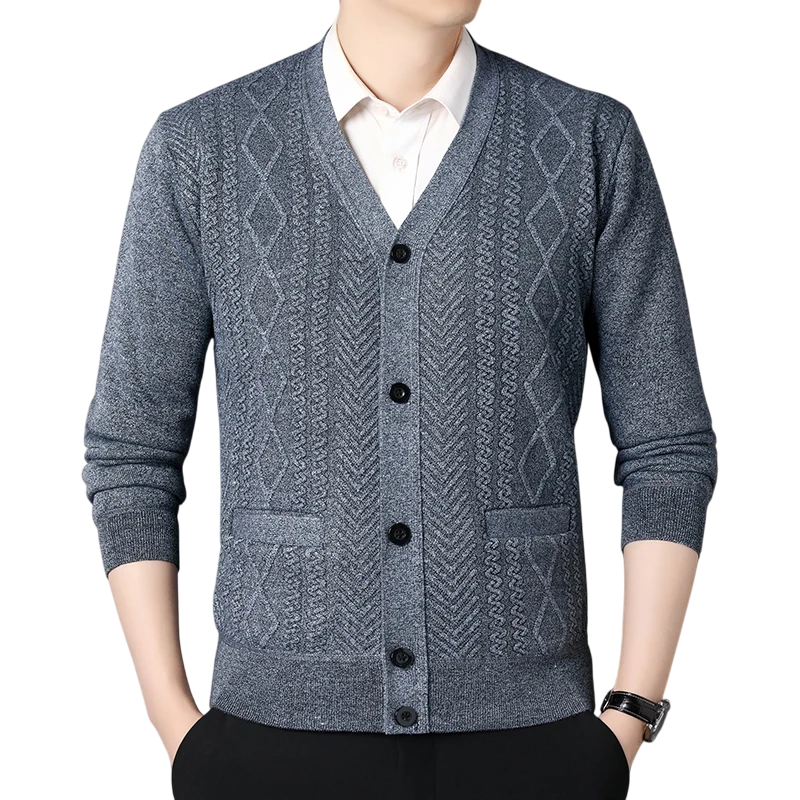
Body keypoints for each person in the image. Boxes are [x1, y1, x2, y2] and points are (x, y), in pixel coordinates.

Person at [81, 1, 718, 798]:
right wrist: (175, 724)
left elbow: (667, 445)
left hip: (531, 741)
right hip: (269, 741)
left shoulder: (586, 139)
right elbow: (131, 449)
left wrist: (628, 715)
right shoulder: (202, 149)